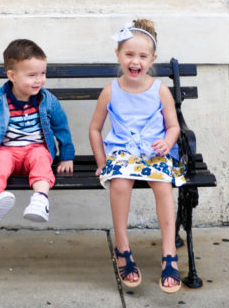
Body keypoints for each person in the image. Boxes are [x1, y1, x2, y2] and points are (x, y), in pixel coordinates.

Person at [88, 18, 186, 294]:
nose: (135, 61)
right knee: (119, 184)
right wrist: (101, 162)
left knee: (163, 187)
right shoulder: (111, 90)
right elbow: (95, 129)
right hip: (122, 153)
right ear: (118, 56)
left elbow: (174, 125)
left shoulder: (160, 90)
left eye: (142, 56)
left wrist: (167, 142)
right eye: (129, 54)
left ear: (152, 59)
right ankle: (123, 248)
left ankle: (170, 254)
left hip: (153, 152)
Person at [0, 37, 75, 229]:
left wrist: (66, 156)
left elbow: (62, 128)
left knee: (42, 160)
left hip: (35, 149)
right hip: (7, 150)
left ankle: (40, 200)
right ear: (12, 75)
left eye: (43, 73)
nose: (39, 80)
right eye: (32, 75)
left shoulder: (48, 101)